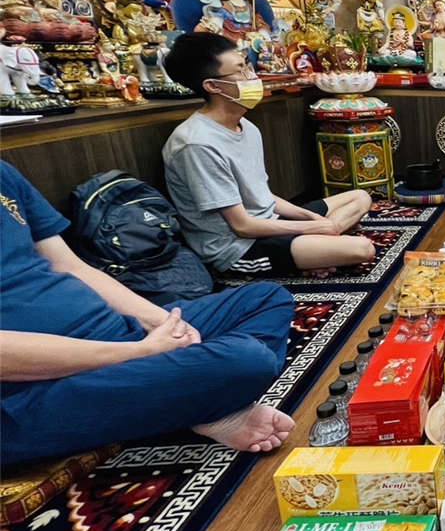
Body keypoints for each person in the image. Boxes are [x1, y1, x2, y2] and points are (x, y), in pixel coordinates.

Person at [0, 160, 294, 465]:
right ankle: (195, 396)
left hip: (112, 332)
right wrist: (138, 352)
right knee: (248, 359)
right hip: (28, 390)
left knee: (266, 298)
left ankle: (192, 400)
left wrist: (163, 323)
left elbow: (70, 266)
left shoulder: (4, 173)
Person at [161, 33, 375, 275]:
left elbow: (262, 196)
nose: (252, 76)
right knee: (362, 248)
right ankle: (316, 250)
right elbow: (242, 226)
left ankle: (318, 248)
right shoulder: (196, 144)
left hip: (270, 223)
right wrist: (313, 228)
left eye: (248, 65)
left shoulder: (246, 126)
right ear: (212, 85)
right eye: (241, 71)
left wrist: (314, 221)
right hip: (238, 247)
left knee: (360, 197)